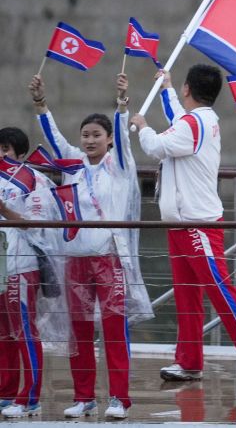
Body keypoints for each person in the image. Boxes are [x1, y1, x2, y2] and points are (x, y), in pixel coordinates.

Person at [130, 65, 236, 384]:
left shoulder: (194, 124)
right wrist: (166, 87)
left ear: (187, 88)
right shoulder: (196, 120)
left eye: (178, 88)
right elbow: (177, 120)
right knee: (187, 296)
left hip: (198, 226)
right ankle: (190, 361)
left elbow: (156, 146)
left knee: (221, 291)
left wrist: (141, 127)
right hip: (181, 225)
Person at [30, 72, 153, 420]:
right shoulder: (72, 164)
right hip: (76, 261)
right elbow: (53, 139)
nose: (88, 140)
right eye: (85, 135)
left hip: (109, 259)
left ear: (110, 140)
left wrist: (121, 105)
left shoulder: (119, 167)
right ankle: (84, 397)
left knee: (114, 331)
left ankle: (119, 398)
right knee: (79, 332)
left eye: (96, 135)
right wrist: (41, 104)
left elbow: (127, 145)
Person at [0, 127, 65, 419]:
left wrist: (5, 210)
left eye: (6, 151)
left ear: (20, 154)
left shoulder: (32, 180)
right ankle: (6, 391)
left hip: (22, 265)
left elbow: (38, 226)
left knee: (25, 331)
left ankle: (32, 397)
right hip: (2, 267)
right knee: (3, 333)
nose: (1, 156)